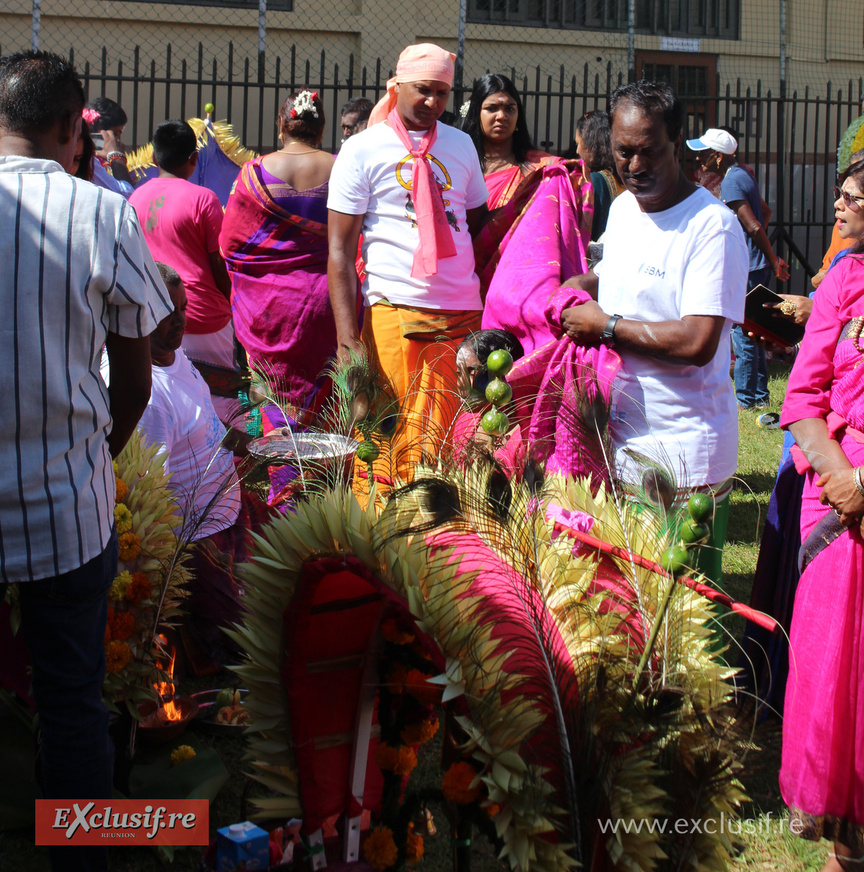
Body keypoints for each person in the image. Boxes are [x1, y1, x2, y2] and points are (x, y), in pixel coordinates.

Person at [0, 50, 172, 872]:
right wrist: (94, 459)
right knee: (72, 699)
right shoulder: (101, 214)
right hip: (66, 506)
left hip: (66, 499)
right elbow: (136, 377)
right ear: (75, 128)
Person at [559, 80, 749, 585]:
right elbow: (623, 272)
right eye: (624, 152)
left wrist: (606, 327)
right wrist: (583, 285)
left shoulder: (713, 228)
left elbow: (696, 340)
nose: (635, 166)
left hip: (683, 454)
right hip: (618, 441)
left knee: (679, 619)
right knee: (627, 610)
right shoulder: (623, 209)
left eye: (650, 152)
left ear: (677, 144)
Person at [327, 43, 489, 483]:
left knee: (453, 448)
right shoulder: (362, 150)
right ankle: (385, 542)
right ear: (396, 86)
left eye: (442, 93)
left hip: (461, 315)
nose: (433, 103)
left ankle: (445, 542)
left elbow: (473, 222)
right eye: (423, 90)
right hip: (394, 315)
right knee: (390, 443)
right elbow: (339, 251)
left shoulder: (461, 144)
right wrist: (346, 340)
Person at [778, 157, 864, 871]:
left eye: (854, 199)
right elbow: (804, 399)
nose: (839, 207)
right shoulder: (843, 281)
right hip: (836, 506)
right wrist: (843, 479)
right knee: (837, 685)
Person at [111, 263, 247, 670]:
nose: (179, 321)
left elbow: (200, 415)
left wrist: (234, 439)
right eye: (165, 312)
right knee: (256, 634)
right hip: (198, 540)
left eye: (183, 308)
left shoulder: (174, 354)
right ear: (137, 314)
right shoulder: (146, 396)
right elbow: (149, 502)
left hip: (231, 514)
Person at [221, 90, 337, 425]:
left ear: (280, 125)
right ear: (322, 127)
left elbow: (229, 245)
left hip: (268, 309)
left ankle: (283, 473)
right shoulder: (341, 168)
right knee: (327, 402)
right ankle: (323, 475)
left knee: (274, 398)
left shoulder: (252, 175)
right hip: (327, 303)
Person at [463, 73, 591, 353]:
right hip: (464, 281)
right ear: (477, 112)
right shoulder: (461, 166)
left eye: (510, 108)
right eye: (492, 108)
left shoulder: (541, 170)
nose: (501, 116)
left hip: (514, 287)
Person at [129, 119, 237, 422]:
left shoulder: (135, 197)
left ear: (153, 158)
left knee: (166, 407)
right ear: (194, 159)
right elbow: (219, 264)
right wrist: (233, 307)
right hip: (203, 318)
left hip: (154, 321)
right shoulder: (203, 198)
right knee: (219, 410)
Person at [687, 127, 791, 409]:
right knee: (755, 329)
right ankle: (759, 395)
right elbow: (764, 213)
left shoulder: (731, 182)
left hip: (748, 268)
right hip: (756, 265)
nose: (699, 160)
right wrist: (762, 253)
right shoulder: (744, 174)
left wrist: (770, 258)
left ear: (718, 157)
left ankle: (746, 399)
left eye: (704, 154)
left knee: (742, 331)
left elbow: (755, 224)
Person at [574, 109, 624, 240]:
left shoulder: (596, 181)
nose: (577, 150)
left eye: (579, 143)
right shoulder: (625, 178)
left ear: (593, 143)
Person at [86, 95, 135, 195]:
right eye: (115, 133)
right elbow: (126, 194)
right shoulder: (90, 161)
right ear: (100, 130)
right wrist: (116, 156)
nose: (117, 141)